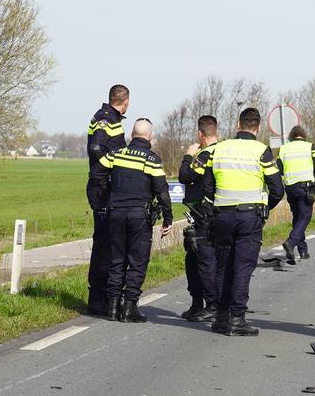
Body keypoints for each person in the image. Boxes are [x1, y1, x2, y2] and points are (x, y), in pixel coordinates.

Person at [203, 107, 285, 336]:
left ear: (239, 124)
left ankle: (220, 317)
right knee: (242, 267)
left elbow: (208, 186)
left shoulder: (219, 149)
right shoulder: (262, 151)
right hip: (249, 217)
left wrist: (216, 204)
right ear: (258, 127)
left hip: (222, 216)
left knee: (222, 266)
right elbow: (277, 188)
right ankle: (237, 319)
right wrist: (265, 206)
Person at [89, 118, 173, 322]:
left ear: (131, 136)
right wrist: (167, 218)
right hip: (139, 216)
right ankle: (129, 308)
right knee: (137, 260)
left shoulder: (116, 155)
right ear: (150, 138)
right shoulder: (151, 160)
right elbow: (162, 191)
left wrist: (108, 194)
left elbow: (96, 173)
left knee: (116, 259)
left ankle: (112, 307)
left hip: (115, 213)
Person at [85, 85, 129, 315]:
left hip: (107, 189)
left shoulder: (113, 119)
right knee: (104, 244)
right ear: (126, 101)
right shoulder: (105, 119)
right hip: (102, 190)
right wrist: (109, 171)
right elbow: (96, 148)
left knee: (111, 243)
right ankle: (97, 299)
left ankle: (107, 296)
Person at [176, 115, 220, 322]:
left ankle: (210, 305)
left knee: (203, 260)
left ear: (200, 135)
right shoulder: (222, 150)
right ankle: (198, 304)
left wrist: (188, 155)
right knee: (195, 259)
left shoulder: (205, 154)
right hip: (211, 214)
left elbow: (185, 176)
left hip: (205, 215)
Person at [278, 125, 315, 264]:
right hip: (304, 187)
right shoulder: (310, 147)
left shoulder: (283, 149)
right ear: (303, 135)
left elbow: (280, 169)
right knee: (305, 216)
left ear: (291, 136)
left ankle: (303, 251)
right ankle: (291, 242)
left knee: (297, 217)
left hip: (291, 187)